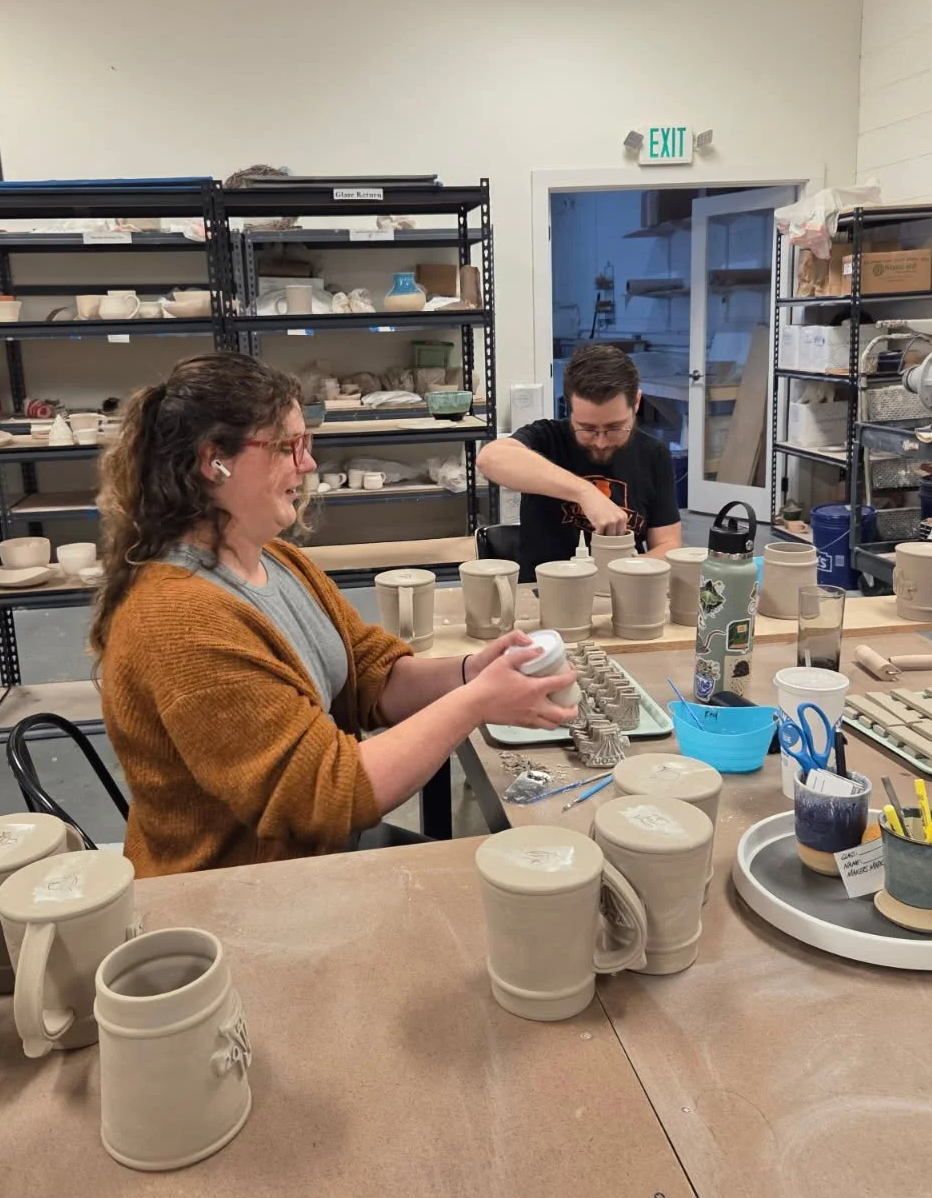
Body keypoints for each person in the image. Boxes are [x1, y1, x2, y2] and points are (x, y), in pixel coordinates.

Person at [90, 351, 577, 875]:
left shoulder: (274, 559)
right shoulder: (180, 620)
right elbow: (326, 795)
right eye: (287, 446)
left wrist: (466, 674)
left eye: (307, 443)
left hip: (306, 854)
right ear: (215, 461)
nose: (308, 463)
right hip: (235, 885)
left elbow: (370, 674)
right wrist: (475, 704)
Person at [479, 343, 683, 581]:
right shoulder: (547, 439)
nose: (601, 442)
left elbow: (669, 545)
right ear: (570, 409)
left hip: (619, 592)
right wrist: (586, 493)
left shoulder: (653, 454)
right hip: (544, 593)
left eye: (615, 427)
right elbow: (489, 458)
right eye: (587, 429)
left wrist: (628, 569)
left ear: (636, 402)